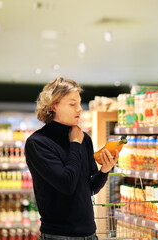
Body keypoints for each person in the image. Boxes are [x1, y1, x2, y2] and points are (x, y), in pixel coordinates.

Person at [25, 77, 119, 240]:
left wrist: (104, 170)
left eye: (79, 103)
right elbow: (66, 184)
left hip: (90, 234)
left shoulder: (84, 139)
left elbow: (89, 188)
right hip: (58, 236)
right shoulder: (38, 143)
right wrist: (75, 143)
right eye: (72, 104)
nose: (80, 109)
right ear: (54, 105)